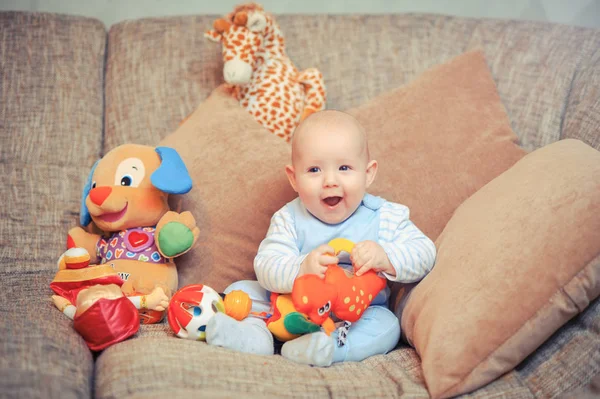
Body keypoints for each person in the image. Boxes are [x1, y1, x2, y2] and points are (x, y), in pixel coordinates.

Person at [206, 110, 436, 366]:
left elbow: (425, 252)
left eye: (344, 168)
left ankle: (328, 348)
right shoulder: (289, 218)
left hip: (353, 315)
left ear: (368, 173)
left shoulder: (385, 217)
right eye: (314, 169)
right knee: (238, 291)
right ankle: (253, 337)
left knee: (387, 326)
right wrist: (301, 268)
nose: (329, 181)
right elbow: (266, 264)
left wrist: (385, 257)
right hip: (290, 306)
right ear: (294, 178)